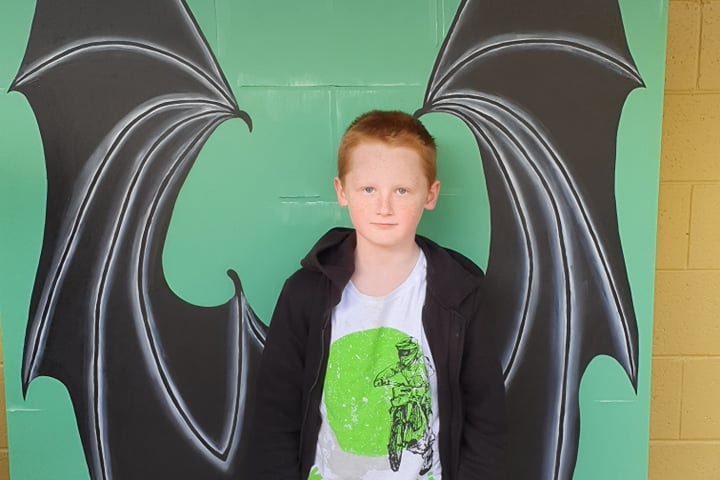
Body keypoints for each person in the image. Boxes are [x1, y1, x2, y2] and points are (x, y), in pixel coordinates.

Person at [248, 110, 506, 479]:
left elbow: (486, 420)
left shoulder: (459, 295)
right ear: (342, 191)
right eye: (368, 189)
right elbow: (275, 418)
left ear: (430, 195)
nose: (384, 207)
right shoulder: (306, 293)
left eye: (401, 190)